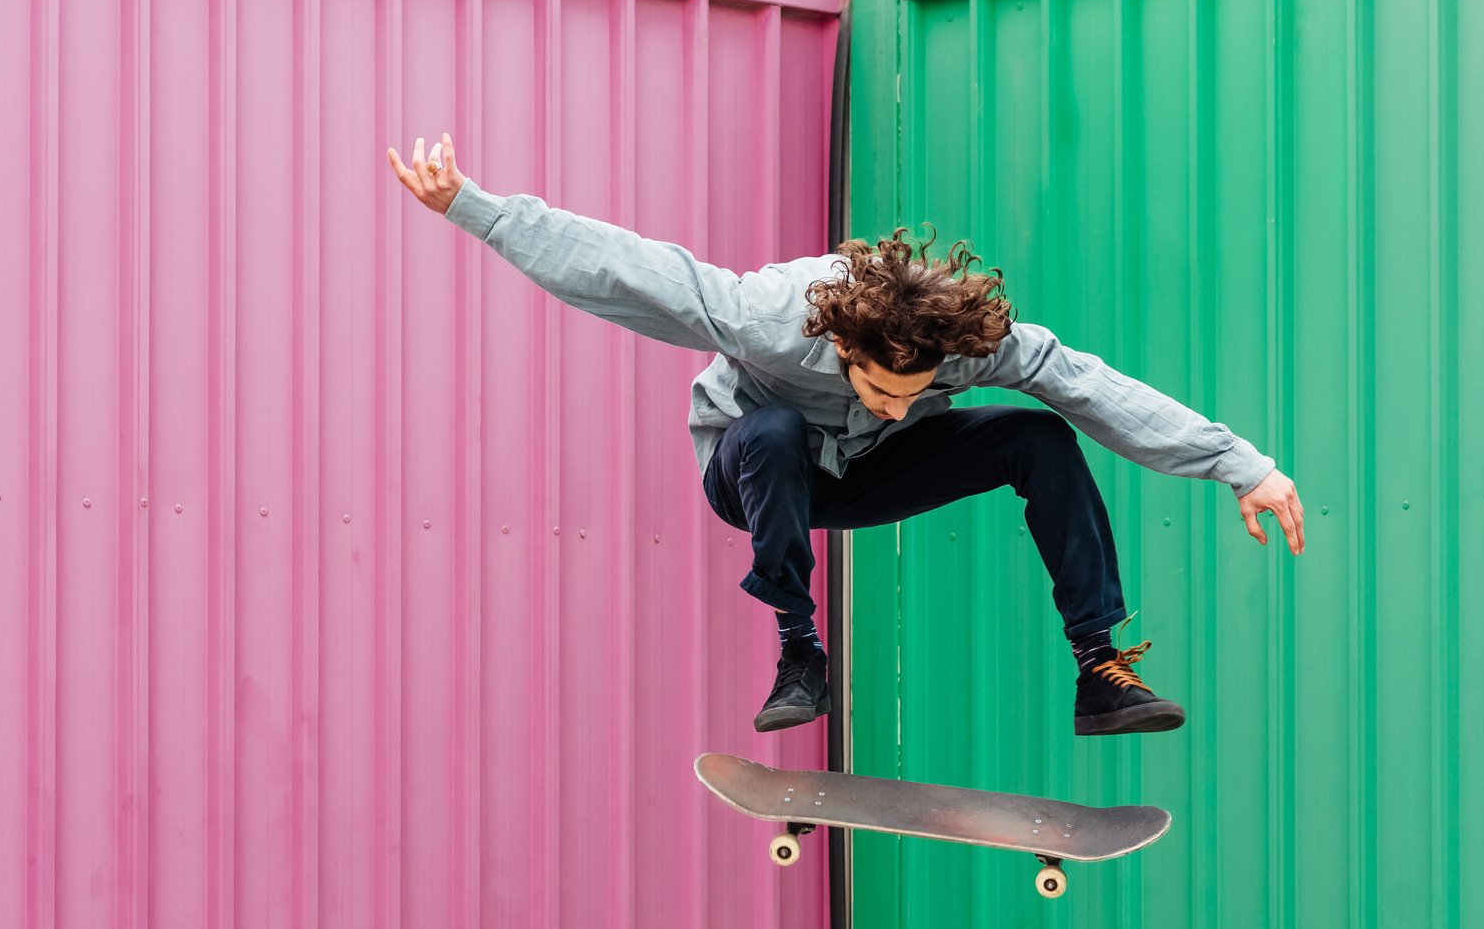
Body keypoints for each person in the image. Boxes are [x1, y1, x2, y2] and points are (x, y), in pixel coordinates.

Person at [388, 134, 1305, 736]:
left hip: (861, 475)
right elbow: (634, 271)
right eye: (879, 384)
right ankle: (798, 649)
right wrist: (477, 208)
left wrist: (1239, 465)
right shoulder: (766, 314)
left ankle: (1099, 669)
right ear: (842, 343)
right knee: (778, 427)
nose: (900, 401)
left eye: (917, 390)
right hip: (751, 471)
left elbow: (1095, 387)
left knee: (1041, 436)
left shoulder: (974, 347)